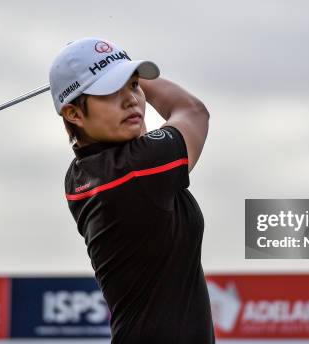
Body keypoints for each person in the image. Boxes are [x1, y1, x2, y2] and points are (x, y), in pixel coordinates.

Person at [48, 37, 214, 343]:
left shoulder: (79, 174)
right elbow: (192, 110)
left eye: (134, 85)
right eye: (110, 92)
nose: (131, 100)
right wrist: (123, 70)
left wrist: (113, 70)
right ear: (73, 114)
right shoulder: (139, 168)